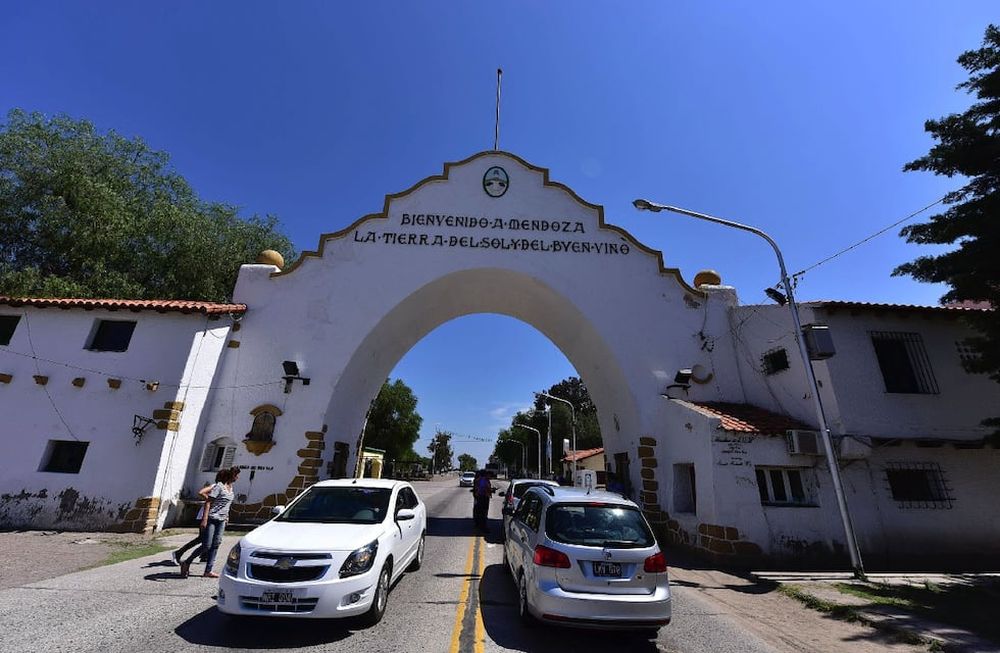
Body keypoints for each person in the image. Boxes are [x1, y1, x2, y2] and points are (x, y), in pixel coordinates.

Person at [180, 466, 239, 578]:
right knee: (206, 545)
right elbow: (208, 502)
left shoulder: (231, 489)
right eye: (236, 475)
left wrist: (227, 516)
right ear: (231, 476)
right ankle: (186, 562)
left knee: (216, 544)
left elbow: (227, 505)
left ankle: (208, 570)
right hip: (212, 518)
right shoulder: (219, 487)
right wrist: (205, 519)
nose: (237, 477)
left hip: (222, 520)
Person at [170, 470, 225, 566]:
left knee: (204, 539)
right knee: (203, 539)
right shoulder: (215, 486)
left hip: (210, 515)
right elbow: (201, 492)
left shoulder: (222, 488)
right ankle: (179, 553)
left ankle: (203, 556)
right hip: (204, 516)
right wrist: (209, 499)